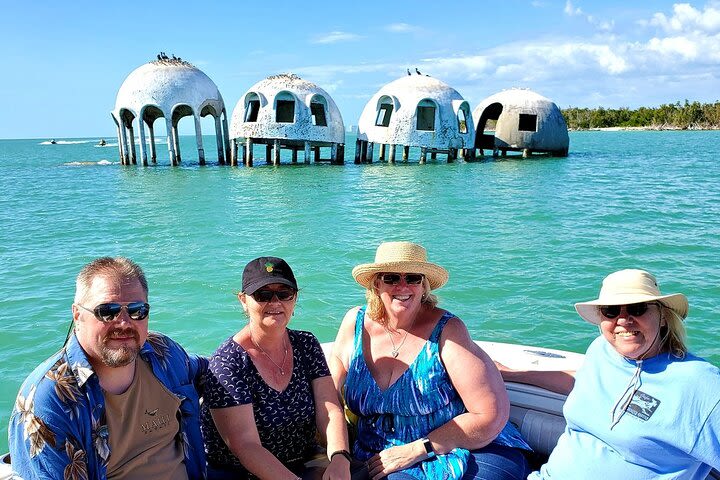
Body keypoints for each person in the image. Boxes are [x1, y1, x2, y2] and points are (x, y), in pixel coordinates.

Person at [330, 241, 531, 480]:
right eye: (392, 278)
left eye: (413, 278)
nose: (402, 286)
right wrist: (338, 455)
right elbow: (327, 396)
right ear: (376, 283)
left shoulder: (448, 330)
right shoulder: (355, 323)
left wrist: (419, 448)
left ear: (424, 286)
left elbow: (490, 415)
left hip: (465, 450)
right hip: (381, 457)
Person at [8, 256, 208, 479]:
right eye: (107, 311)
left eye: (137, 310)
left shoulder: (163, 354)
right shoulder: (50, 400)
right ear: (77, 315)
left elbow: (213, 371)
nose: (124, 323)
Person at [522, 269, 720, 479]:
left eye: (637, 308)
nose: (623, 320)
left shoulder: (699, 383)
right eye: (611, 311)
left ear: (663, 317)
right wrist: (512, 374)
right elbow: (581, 381)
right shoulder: (601, 351)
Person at [201, 256, 351, 480]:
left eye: (284, 294)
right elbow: (246, 446)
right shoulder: (228, 363)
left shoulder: (306, 344)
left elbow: (329, 409)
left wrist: (340, 458)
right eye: (263, 295)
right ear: (243, 300)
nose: (275, 302)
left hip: (303, 460)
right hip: (241, 472)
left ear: (295, 298)